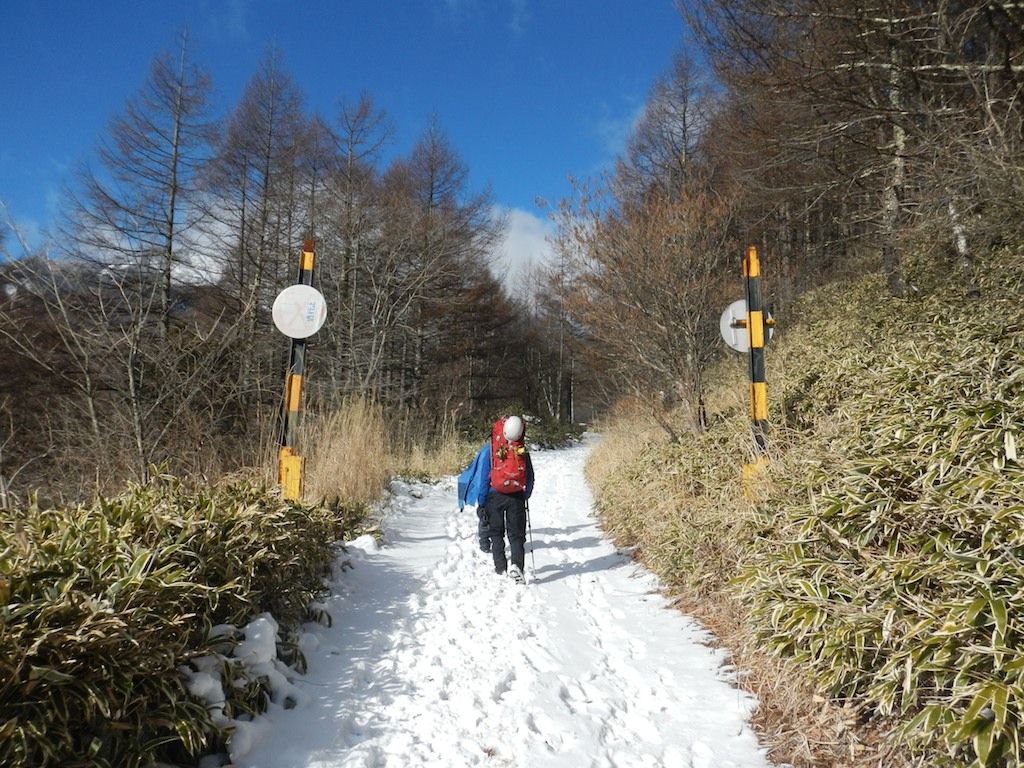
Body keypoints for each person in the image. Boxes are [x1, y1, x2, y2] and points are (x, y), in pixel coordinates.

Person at [457, 415, 534, 583]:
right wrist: (525, 495)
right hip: (516, 497)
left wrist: (482, 502)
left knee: (496, 533)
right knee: (516, 535)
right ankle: (517, 566)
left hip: (494, 496)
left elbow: (484, 479)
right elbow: (530, 477)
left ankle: (500, 568)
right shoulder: (521, 450)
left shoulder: (491, 450)